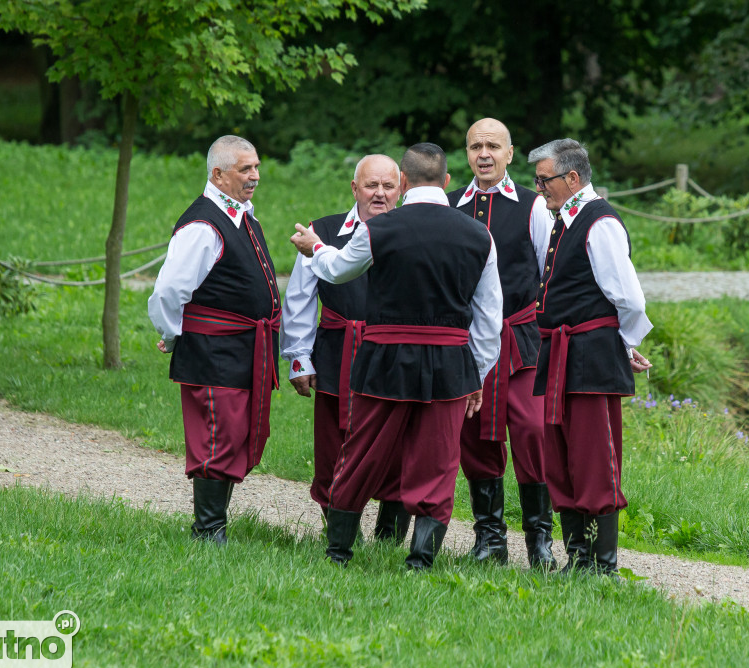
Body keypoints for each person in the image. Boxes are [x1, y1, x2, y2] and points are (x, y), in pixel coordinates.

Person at [290, 143, 503, 570]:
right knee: (438, 461)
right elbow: (488, 317)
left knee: (361, 452)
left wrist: (315, 246)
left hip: (384, 358)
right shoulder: (480, 235)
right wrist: (475, 374)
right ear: (446, 182)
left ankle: (338, 553)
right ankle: (420, 560)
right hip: (448, 364)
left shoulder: (379, 229)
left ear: (403, 182)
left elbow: (336, 270)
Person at [526, 138, 653, 575]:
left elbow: (629, 299)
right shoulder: (564, 218)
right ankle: (577, 557)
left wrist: (623, 343)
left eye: (544, 180)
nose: (539, 188)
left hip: (590, 357)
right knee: (560, 458)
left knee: (594, 457)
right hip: (560, 352)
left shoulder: (600, 222)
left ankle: (603, 564)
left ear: (572, 178)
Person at [148, 135, 281, 545]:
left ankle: (215, 526)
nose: (255, 175)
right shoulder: (204, 225)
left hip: (242, 350)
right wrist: (176, 336)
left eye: (257, 167)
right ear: (218, 174)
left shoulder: (242, 214)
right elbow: (168, 293)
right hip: (213, 351)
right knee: (215, 436)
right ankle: (207, 532)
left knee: (234, 434)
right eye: (246, 169)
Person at [280, 154, 411, 543]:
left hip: (395, 356)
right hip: (338, 350)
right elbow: (300, 298)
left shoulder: (412, 229)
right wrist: (299, 358)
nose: (380, 194)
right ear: (355, 188)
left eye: (389, 186)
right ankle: (339, 530)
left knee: (396, 444)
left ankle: (389, 536)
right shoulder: (324, 230)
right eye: (372, 185)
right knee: (332, 447)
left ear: (401, 188)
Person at [447, 118, 557, 569]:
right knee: (474, 437)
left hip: (520, 340)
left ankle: (540, 539)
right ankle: (489, 537)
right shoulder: (451, 206)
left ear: (511, 153)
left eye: (494, 146)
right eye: (476, 146)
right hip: (468, 343)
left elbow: (551, 273)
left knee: (531, 431)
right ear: (467, 153)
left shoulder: (532, 206)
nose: (484, 154)